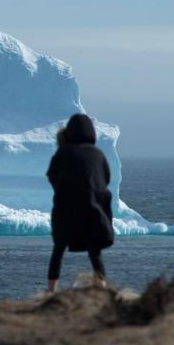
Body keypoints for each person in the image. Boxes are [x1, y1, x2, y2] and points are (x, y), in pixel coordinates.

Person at [46, 113, 115, 292]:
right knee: (95, 250)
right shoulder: (98, 154)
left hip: (66, 210)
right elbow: (105, 178)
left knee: (59, 248)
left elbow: (52, 176)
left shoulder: (62, 153)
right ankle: (101, 287)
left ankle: (51, 290)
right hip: (94, 209)